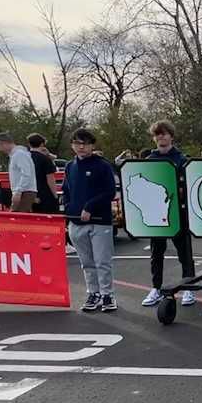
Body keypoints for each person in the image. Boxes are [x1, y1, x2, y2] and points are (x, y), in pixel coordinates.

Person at [140, 120, 198, 308]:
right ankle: (156, 288)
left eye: (164, 133)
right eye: (157, 134)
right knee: (157, 253)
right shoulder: (150, 160)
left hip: (178, 213)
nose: (161, 137)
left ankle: (189, 287)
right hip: (157, 215)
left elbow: (187, 185)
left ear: (171, 136)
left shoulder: (181, 159)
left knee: (184, 252)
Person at [62, 128, 118, 312]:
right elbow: (67, 191)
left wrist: (89, 206)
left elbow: (110, 191)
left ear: (92, 145)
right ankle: (93, 292)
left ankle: (107, 294)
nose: (81, 147)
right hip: (76, 222)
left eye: (85, 143)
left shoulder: (102, 165)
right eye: (77, 143)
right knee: (86, 262)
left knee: (102, 260)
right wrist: (70, 210)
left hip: (99, 220)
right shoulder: (70, 166)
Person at [0, 132, 37, 212]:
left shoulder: (19, 155)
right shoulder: (18, 154)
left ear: (4, 143)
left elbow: (26, 174)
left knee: (17, 218)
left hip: (24, 192)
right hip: (24, 191)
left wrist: (18, 191)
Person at [26, 134, 60, 214]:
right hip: (44, 194)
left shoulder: (25, 158)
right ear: (42, 144)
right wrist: (55, 196)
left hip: (29, 194)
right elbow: (50, 179)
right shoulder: (45, 159)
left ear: (29, 144)